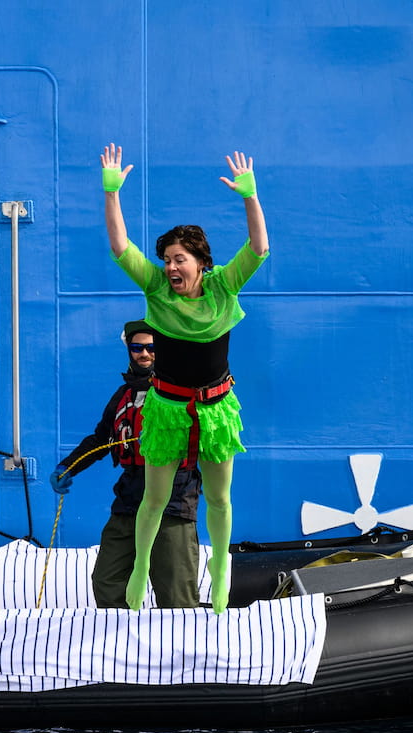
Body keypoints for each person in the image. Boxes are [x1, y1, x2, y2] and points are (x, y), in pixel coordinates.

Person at [100, 143, 269, 612]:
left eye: (180, 259)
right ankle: (137, 576)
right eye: (168, 259)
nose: (171, 266)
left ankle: (218, 583)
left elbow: (259, 249)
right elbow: (120, 247)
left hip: (216, 410)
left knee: (219, 499)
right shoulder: (156, 289)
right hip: (168, 410)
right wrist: (112, 193)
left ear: (200, 262)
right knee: (154, 500)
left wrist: (249, 197)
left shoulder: (222, 287)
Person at [49, 322, 203, 609]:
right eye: (137, 348)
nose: (144, 354)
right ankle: (125, 650)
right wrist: (67, 467)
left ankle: (181, 652)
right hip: (130, 500)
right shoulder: (123, 396)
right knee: (107, 581)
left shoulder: (184, 392)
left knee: (175, 591)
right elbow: (100, 438)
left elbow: (209, 432)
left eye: (151, 348)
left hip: (173, 501)